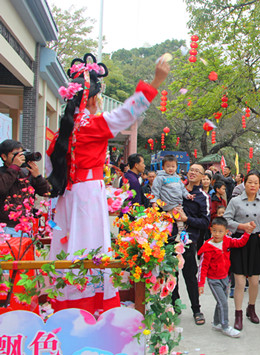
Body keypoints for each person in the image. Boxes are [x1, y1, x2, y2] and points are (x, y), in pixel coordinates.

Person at [47, 54, 169, 313]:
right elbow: (127, 112)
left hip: (66, 197)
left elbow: (50, 167)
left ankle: (65, 303)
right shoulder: (92, 124)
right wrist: (156, 81)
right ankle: (90, 305)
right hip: (88, 195)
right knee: (90, 247)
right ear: (93, 98)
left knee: (67, 246)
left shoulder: (63, 131)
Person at [224, 171, 260, 330]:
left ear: (259, 184)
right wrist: (242, 226)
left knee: (253, 281)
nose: (252, 185)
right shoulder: (235, 201)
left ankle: (251, 308)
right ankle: (238, 314)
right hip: (239, 241)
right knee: (239, 282)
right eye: (250, 182)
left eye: (256, 182)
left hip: (256, 242)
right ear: (244, 183)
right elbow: (226, 220)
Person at [197, 217, 250, 338]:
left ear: (226, 231)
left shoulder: (227, 241)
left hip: (225, 278)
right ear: (210, 230)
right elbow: (202, 268)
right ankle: (225, 326)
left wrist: (247, 233)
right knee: (223, 303)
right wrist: (200, 284)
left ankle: (216, 323)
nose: (217, 234)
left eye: (220, 231)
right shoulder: (207, 247)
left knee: (220, 302)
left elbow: (240, 242)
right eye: (214, 231)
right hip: (213, 280)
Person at [171, 163, 210, 325]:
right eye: (191, 170)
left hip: (188, 241)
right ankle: (175, 306)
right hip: (170, 239)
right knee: (171, 275)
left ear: (202, 177)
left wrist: (187, 219)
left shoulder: (202, 197)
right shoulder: (177, 189)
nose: (193, 173)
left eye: (197, 171)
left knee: (190, 276)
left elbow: (205, 222)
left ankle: (196, 309)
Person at [0, 139, 50, 235]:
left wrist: (38, 176)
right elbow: (2, 188)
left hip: (25, 226)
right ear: (4, 156)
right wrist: (14, 167)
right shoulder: (2, 173)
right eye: (16, 154)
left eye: (22, 153)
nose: (20, 157)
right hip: (5, 227)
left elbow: (45, 192)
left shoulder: (25, 172)